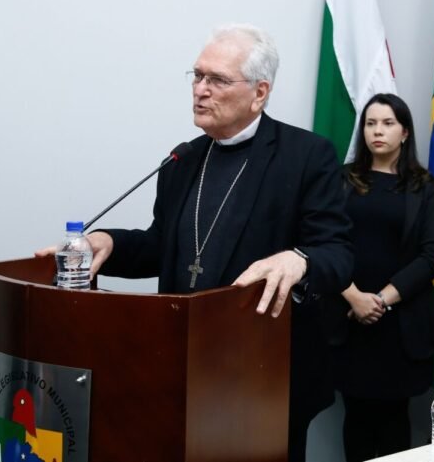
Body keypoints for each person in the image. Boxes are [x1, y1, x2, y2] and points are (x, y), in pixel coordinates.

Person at [36, 24, 353, 462]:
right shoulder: (183, 160)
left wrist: (298, 259)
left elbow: (338, 254)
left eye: (217, 80)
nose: (200, 90)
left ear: (260, 92)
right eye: (197, 76)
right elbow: (162, 246)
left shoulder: (306, 155)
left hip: (265, 376)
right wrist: (108, 242)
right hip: (181, 369)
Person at [323, 93, 434, 462]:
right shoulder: (341, 180)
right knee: (356, 418)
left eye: (388, 123)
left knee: (395, 420)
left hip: (401, 326)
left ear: (405, 132)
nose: (378, 131)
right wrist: (354, 297)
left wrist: (380, 301)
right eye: (371, 123)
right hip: (348, 320)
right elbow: (324, 241)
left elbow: (433, 255)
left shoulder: (426, 187)